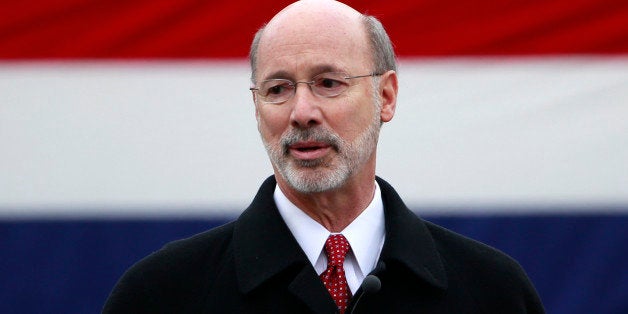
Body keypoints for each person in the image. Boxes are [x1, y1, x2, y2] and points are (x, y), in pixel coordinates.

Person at [103, 0, 545, 313]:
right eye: (278, 89)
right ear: (256, 107)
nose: (301, 113)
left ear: (385, 96)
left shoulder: (493, 292)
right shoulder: (162, 295)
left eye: (328, 83)